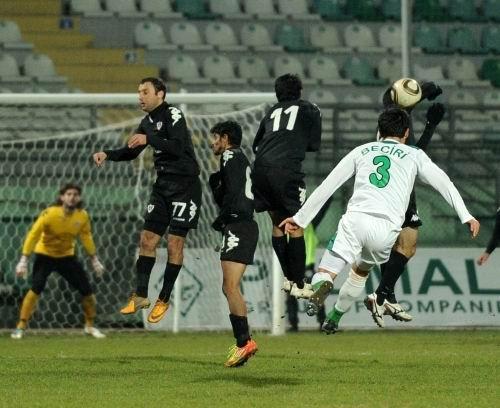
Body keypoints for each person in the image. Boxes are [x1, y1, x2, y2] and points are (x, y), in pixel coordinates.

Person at [281, 108, 480, 334]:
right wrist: (466, 215)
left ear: (379, 131)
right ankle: (335, 316)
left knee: (327, 271)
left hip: (356, 220)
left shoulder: (362, 150)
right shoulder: (414, 155)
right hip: (386, 230)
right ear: (406, 133)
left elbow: (329, 185)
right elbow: (443, 182)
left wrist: (300, 218)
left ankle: (322, 284)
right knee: (360, 271)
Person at [93, 77, 201, 324]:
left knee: (174, 244)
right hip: (162, 186)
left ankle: (164, 298)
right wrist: (107, 154)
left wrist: (148, 139)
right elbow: (131, 151)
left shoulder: (173, 114)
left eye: (145, 92)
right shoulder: (147, 122)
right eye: (139, 92)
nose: (140, 96)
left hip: (184, 186)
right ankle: (141, 295)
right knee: (147, 240)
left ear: (160, 94)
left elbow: (177, 146)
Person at [365, 80, 444, 325]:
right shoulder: (400, 126)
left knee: (394, 246)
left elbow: (392, 96)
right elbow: (415, 156)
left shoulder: (388, 115)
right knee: (407, 246)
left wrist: (424, 91)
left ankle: (386, 297)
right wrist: (431, 125)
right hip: (400, 189)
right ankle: (381, 296)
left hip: (384, 188)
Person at [252, 73, 321, 299]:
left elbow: (256, 145)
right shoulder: (310, 109)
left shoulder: (271, 112)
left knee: (278, 224)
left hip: (260, 169)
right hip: (285, 171)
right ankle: (299, 283)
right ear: (300, 92)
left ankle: (289, 279)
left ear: (277, 93)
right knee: (296, 223)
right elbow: (314, 144)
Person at [11, 183, 106, 339]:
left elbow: (86, 237)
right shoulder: (49, 214)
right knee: (36, 287)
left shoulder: (82, 216)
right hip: (45, 255)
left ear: (79, 198)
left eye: (75, 194)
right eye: (68, 194)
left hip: (66, 257)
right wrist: (24, 260)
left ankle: (89, 326)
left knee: (87, 290)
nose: (72, 197)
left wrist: (94, 260)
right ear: (62, 197)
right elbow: (34, 234)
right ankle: (20, 326)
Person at [208, 121, 259, 367]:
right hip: (242, 224)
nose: (212, 143)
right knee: (229, 286)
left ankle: (244, 342)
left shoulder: (229, 156)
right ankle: (243, 342)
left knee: (230, 286)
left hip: (239, 225)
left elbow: (235, 194)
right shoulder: (240, 159)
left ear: (225, 138)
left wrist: (223, 217)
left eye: (215, 137)